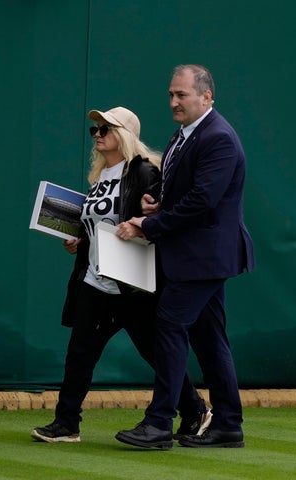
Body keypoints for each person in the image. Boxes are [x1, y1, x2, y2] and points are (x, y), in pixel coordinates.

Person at [31, 106, 211, 443]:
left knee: (156, 353)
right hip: (95, 280)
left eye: (106, 129)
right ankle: (66, 423)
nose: (98, 135)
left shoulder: (144, 173)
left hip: (132, 285)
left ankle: (196, 409)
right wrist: (80, 241)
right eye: (95, 130)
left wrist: (143, 224)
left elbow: (162, 221)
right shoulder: (99, 178)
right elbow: (101, 225)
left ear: (125, 135)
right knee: (79, 354)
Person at [114, 65, 255, 449]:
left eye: (182, 95)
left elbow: (202, 201)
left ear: (207, 97)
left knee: (169, 324)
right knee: (210, 341)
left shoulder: (219, 138)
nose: (174, 102)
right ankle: (228, 425)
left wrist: (149, 225)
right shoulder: (184, 135)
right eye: (171, 95)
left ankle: (159, 423)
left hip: (204, 257)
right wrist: (156, 202)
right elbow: (185, 191)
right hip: (197, 255)